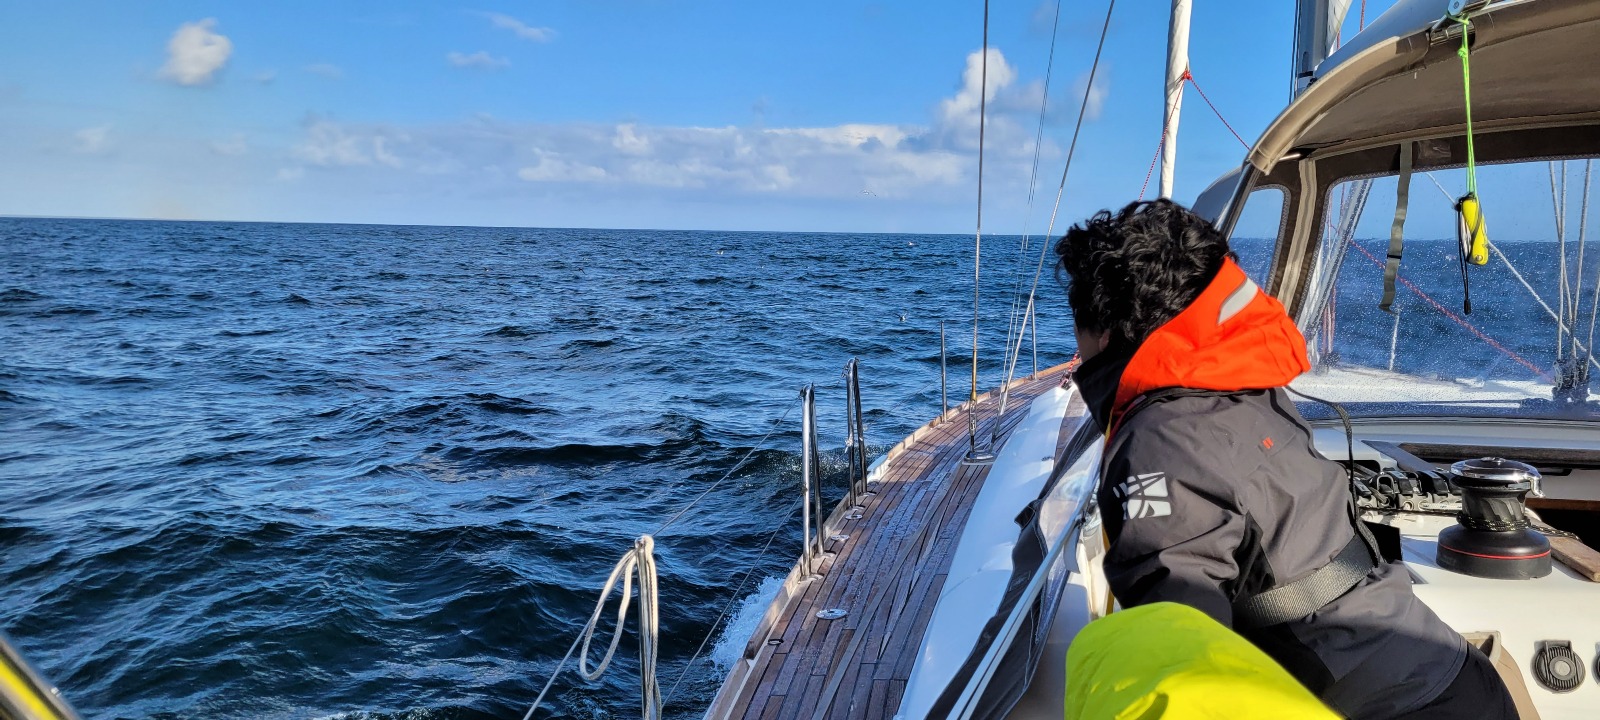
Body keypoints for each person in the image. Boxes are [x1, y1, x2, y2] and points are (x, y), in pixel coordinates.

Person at [1054, 199, 1516, 719]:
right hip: (1452, 677)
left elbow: (1182, 658)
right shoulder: (1244, 387)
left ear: (1105, 331)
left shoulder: (1158, 440)